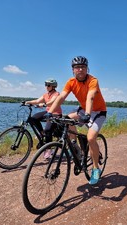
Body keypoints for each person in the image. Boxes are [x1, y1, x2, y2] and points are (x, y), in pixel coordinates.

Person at [46, 56, 107, 185]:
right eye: (77, 67)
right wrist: (50, 112)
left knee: (91, 138)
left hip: (98, 112)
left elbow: (90, 97)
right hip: (83, 110)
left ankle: (96, 169)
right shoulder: (71, 82)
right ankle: (76, 147)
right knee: (67, 120)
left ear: (87, 68)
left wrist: (88, 114)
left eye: (83, 67)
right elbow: (62, 96)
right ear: (73, 70)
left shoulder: (93, 80)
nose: (80, 69)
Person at [25, 78, 62, 157]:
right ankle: (42, 133)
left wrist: (44, 104)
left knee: (48, 129)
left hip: (56, 113)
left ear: (53, 86)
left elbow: (52, 102)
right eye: (46, 85)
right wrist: (27, 102)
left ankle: (49, 149)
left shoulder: (56, 94)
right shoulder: (46, 94)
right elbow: (37, 101)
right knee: (33, 118)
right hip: (48, 112)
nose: (46, 87)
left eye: (48, 85)